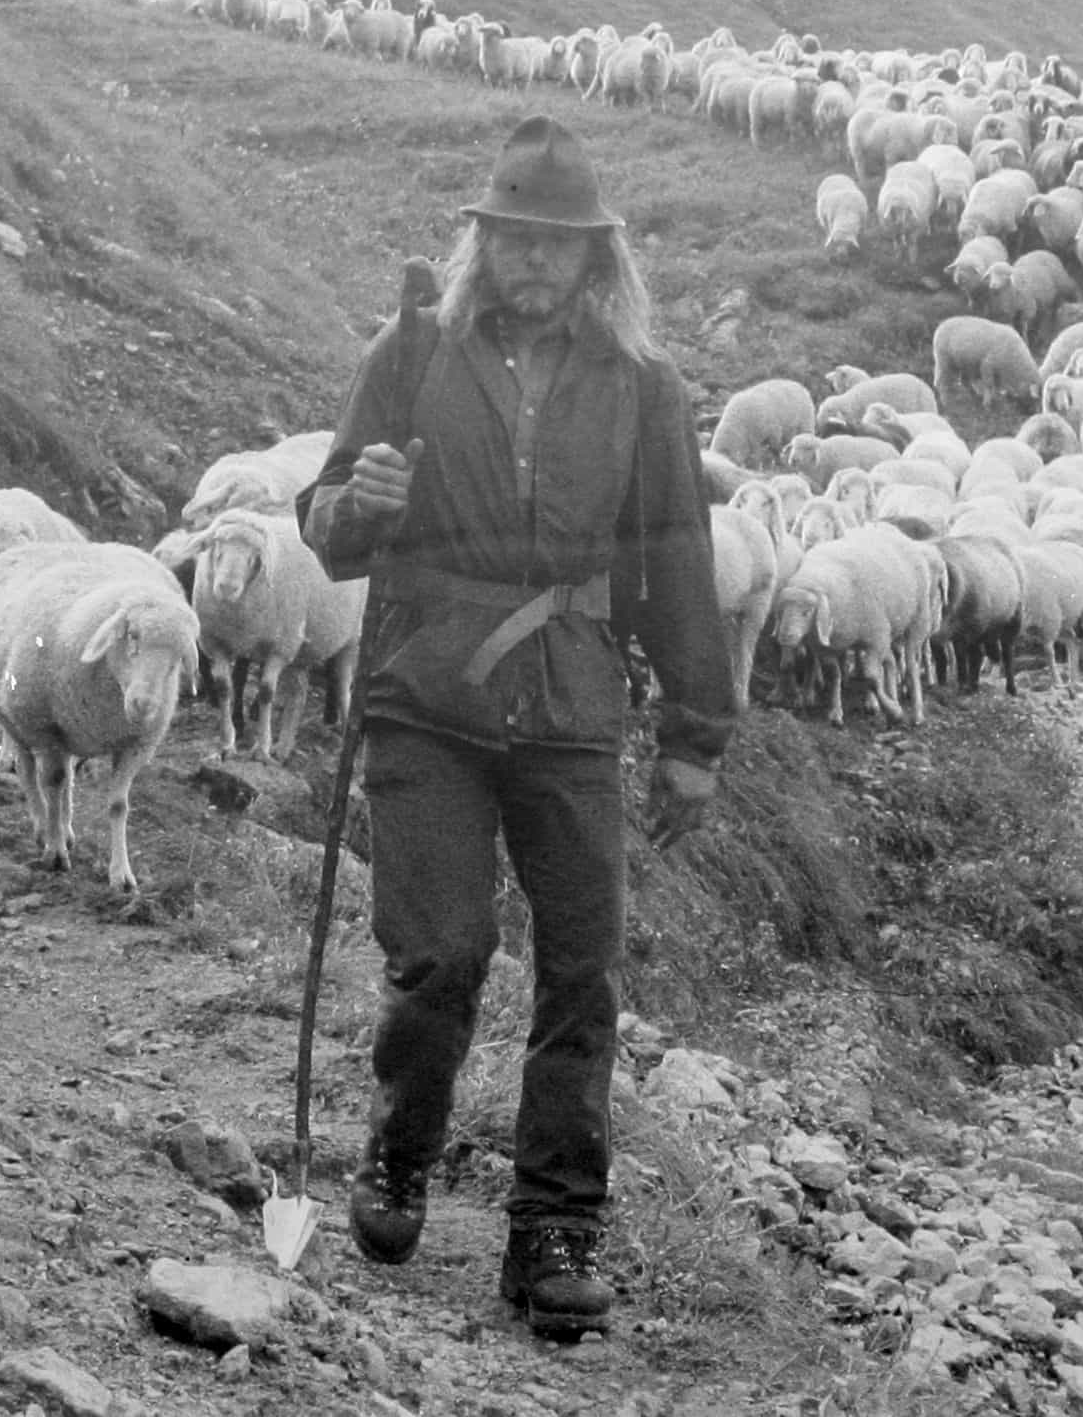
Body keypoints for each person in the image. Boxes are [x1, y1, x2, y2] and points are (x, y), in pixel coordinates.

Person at [299, 113, 734, 1339]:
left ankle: (555, 1231)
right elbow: (327, 530)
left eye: (559, 245)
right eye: (514, 239)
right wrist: (358, 501)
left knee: (581, 970)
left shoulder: (643, 387)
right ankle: (401, 1146)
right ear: (481, 242)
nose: (535, 262)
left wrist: (698, 734)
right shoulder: (412, 353)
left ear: (598, 259)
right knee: (441, 955)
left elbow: (674, 557)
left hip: (572, 706)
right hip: (425, 696)